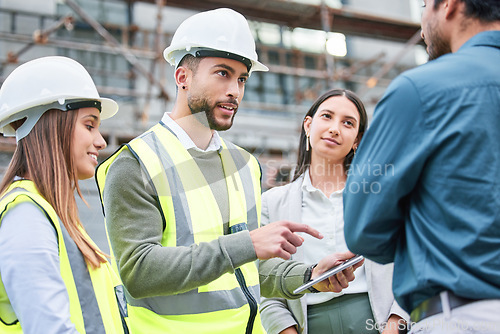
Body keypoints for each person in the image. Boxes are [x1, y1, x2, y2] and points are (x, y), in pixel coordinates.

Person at [95, 8, 351, 334]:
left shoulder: (244, 165)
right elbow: (138, 272)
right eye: (222, 73)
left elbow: (247, 269)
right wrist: (246, 245)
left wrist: (309, 276)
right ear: (182, 77)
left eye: (242, 78)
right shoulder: (135, 164)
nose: (236, 90)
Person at [343, 0, 500, 333]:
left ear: (449, 5)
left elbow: (363, 229)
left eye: (425, 4)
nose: (422, 16)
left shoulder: (421, 89)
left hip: (461, 315)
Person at [258, 89, 408, 334]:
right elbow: (266, 285)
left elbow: (413, 266)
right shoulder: (273, 203)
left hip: (377, 323)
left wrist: (394, 326)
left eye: (347, 123)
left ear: (357, 140)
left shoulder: (383, 195)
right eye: (327, 116)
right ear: (308, 125)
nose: (335, 128)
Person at [0, 56, 128, 333]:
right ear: (50, 126)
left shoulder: (52, 214)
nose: (101, 141)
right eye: (89, 125)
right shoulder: (26, 216)